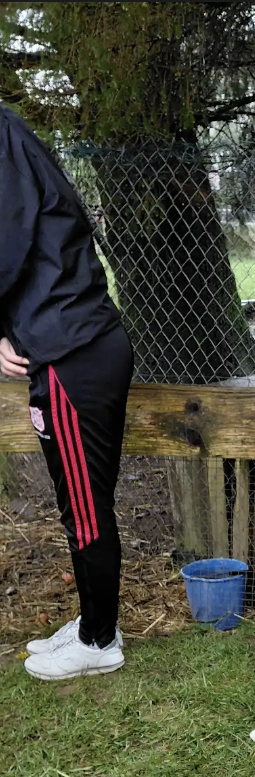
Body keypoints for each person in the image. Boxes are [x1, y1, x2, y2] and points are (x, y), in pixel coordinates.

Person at [0, 104, 132, 680]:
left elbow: (6, 248)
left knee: (83, 509)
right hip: (73, 342)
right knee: (81, 503)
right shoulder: (12, 135)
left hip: (70, 354)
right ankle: (94, 624)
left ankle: (99, 641)